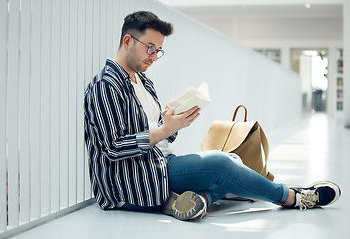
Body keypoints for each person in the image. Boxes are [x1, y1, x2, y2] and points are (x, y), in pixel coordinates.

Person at [84, 11, 341, 221]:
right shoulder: (106, 85)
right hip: (131, 183)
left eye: (158, 50)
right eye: (150, 48)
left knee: (230, 158)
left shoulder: (143, 82)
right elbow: (113, 147)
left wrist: (173, 125)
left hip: (158, 165)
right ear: (128, 41)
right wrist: (163, 130)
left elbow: (160, 138)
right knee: (222, 164)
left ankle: (201, 200)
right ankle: (294, 197)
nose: (154, 56)